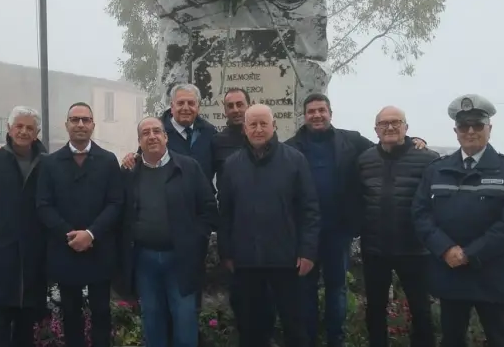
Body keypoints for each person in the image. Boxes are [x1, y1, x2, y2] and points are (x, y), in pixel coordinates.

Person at [284, 93, 427, 347]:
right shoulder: (290, 147)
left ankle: (336, 341)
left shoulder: (351, 141)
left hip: (338, 231)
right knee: (304, 291)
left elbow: (387, 145)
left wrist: (415, 141)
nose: (317, 115)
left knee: (337, 289)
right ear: (304, 116)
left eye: (321, 110)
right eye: (311, 111)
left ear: (330, 113)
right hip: (304, 234)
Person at [412, 94, 504, 347]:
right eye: (464, 126)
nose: (471, 131)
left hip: (493, 274)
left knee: (500, 340)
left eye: (477, 125)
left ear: (489, 128)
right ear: (456, 131)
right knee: (452, 340)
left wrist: (469, 253)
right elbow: (421, 215)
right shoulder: (436, 170)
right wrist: (445, 249)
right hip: (450, 271)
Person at [217, 104, 321, 347]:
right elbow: (225, 213)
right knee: (250, 329)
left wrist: (307, 251)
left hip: (287, 261)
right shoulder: (231, 165)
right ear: (244, 129)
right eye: (252, 124)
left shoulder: (295, 160)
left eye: (263, 123)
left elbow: (309, 209)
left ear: (274, 126)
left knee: (295, 327)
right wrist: (227, 252)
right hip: (246, 262)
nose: (258, 129)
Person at [116, 116, 218, 347]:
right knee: (152, 319)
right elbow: (120, 214)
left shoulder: (189, 167)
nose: (151, 136)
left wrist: (195, 241)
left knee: (184, 318)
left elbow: (208, 209)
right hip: (144, 259)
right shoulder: (130, 173)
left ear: (166, 137)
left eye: (156, 131)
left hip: (181, 259)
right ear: (139, 141)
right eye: (145, 133)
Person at [35, 102, 124, 347]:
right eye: (75, 120)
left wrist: (91, 234)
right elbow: (43, 205)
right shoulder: (50, 163)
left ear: (93, 125)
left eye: (86, 120)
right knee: (71, 313)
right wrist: (70, 235)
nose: (80, 124)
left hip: (100, 249)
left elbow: (116, 203)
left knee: (101, 312)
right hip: (65, 250)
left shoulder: (108, 161)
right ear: (67, 125)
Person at [354, 106, 439, 347]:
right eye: (384, 123)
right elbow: (357, 197)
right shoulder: (365, 159)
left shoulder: (428, 159)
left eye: (396, 122)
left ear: (406, 127)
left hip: (415, 249)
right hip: (375, 248)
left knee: (421, 310)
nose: (390, 127)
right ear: (376, 129)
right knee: (375, 309)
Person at [0, 106, 50, 347]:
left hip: (33, 259)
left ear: (37, 133)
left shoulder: (47, 163)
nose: (24, 131)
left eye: (29, 128)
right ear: (9, 128)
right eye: (19, 126)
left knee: (26, 332)